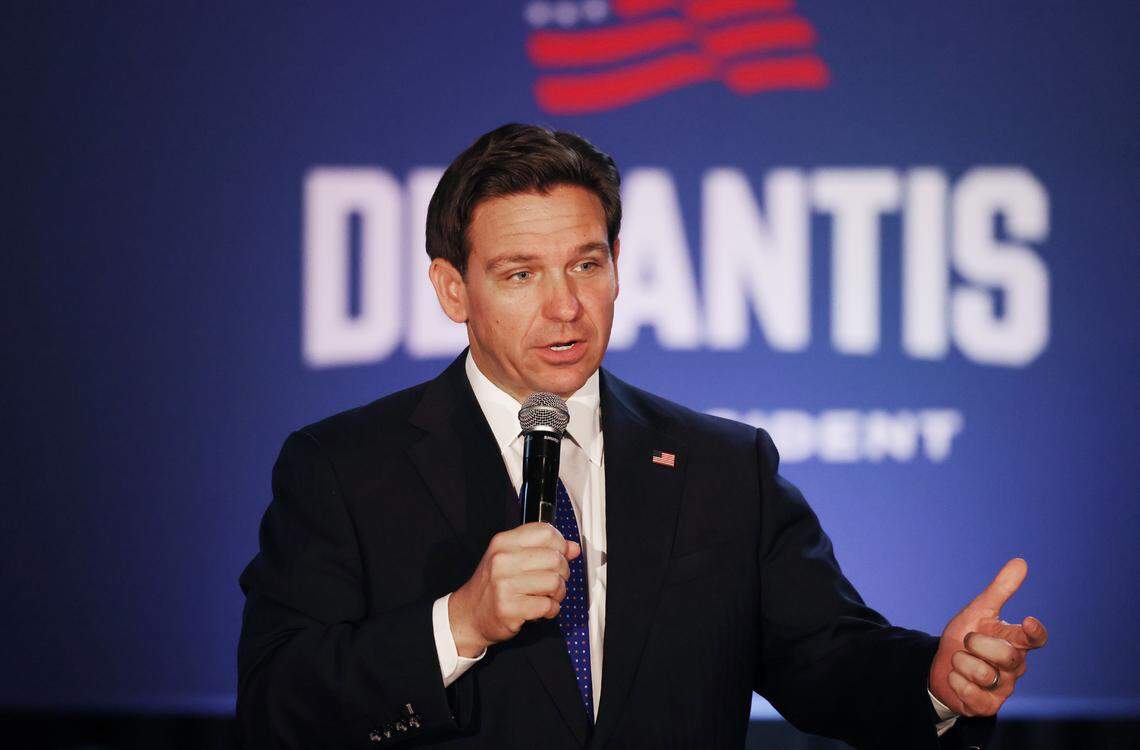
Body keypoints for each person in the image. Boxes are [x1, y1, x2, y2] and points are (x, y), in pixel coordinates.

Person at [237, 124, 1048, 749]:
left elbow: (824, 657)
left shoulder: (725, 467)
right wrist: (459, 624)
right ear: (453, 288)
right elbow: (278, 707)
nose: (565, 308)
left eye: (587, 265)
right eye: (521, 274)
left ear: (618, 262)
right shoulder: (343, 468)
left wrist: (936, 683)